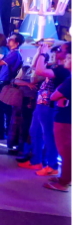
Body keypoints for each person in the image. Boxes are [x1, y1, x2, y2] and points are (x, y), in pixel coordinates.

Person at [20, 42, 71, 176]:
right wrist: (40, 52)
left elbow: (39, 71)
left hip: (49, 104)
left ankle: (52, 165)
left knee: (48, 135)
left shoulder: (63, 70)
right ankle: (36, 160)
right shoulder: (56, 66)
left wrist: (43, 53)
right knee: (35, 131)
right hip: (41, 102)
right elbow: (34, 67)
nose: (57, 52)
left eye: (60, 50)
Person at [0, 32, 25, 140]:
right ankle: (5, 132)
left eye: (12, 39)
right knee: (3, 109)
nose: (8, 40)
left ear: (17, 43)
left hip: (5, 84)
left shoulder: (14, 54)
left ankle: (2, 132)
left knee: (0, 108)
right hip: (4, 82)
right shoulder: (12, 53)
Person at [46, 55, 71, 192]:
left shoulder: (71, 80)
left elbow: (54, 96)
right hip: (66, 117)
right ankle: (66, 178)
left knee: (65, 151)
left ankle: (63, 182)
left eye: (69, 57)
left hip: (65, 119)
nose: (65, 60)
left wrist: (59, 93)